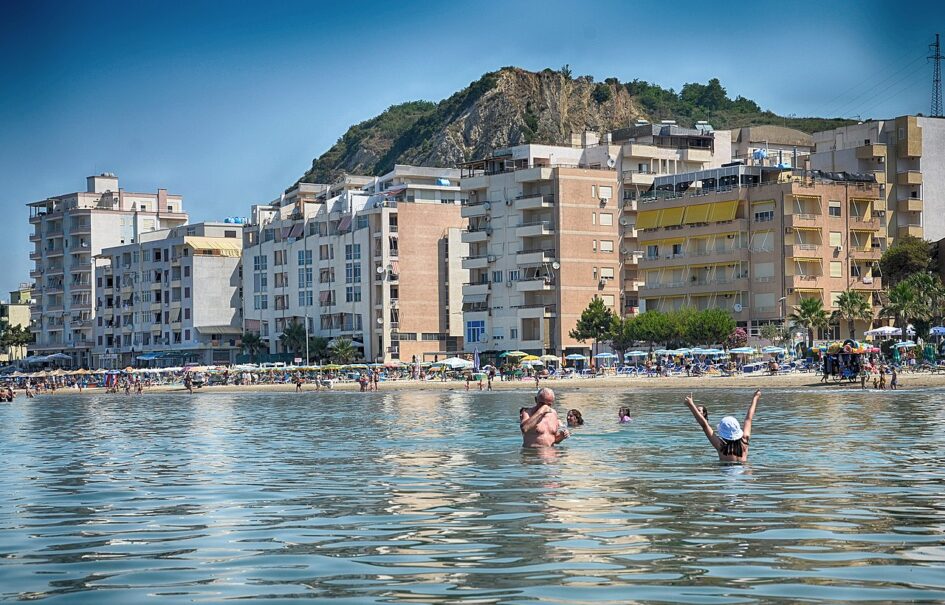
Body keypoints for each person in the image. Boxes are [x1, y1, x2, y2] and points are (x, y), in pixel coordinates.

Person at [685, 390, 760, 463]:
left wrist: (691, 405)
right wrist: (755, 398)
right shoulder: (745, 442)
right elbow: (748, 419)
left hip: (726, 474)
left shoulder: (721, 446)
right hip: (745, 473)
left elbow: (705, 425)